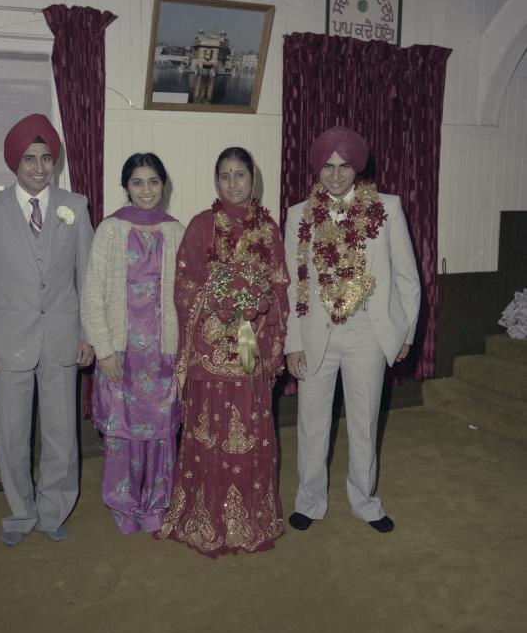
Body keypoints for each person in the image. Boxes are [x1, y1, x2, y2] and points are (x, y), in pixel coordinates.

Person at [284, 126, 420, 534]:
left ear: (357, 168)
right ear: (317, 169)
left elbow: (407, 279)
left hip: (368, 334)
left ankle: (365, 501)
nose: (336, 175)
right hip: (315, 334)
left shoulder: (388, 208)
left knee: (364, 421)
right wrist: (292, 343)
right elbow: (292, 284)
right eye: (328, 166)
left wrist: (406, 334)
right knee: (312, 423)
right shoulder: (298, 215)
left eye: (344, 166)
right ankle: (310, 500)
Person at [0, 114, 94, 547]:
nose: (39, 168)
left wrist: (88, 334)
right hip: (7, 342)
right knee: (13, 435)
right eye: (29, 159)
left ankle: (54, 510)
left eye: (46, 158)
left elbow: (88, 279)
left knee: (61, 436)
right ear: (14, 163)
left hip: (62, 339)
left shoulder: (74, 207)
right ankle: (21, 513)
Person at [156, 147, 290, 557]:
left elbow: (280, 287)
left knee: (249, 428)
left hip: (250, 340)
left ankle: (251, 517)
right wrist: (219, 303)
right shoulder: (201, 226)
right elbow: (183, 287)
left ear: (254, 179)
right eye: (226, 176)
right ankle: (203, 515)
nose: (234, 183)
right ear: (217, 182)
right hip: (210, 344)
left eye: (241, 175)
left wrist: (256, 308)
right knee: (208, 432)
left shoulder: (268, 229)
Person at [81, 153, 184, 534]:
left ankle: (157, 502)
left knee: (160, 432)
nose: (146, 190)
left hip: (163, 351)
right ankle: (123, 507)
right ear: (126, 186)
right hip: (120, 353)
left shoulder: (176, 231)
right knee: (122, 432)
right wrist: (103, 349)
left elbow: (186, 296)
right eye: (138, 182)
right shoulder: (110, 229)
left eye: (154, 181)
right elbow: (92, 294)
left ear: (163, 185)